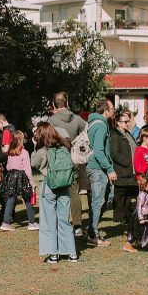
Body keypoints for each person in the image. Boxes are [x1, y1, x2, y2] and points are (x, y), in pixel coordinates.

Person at [32, 122, 78, 263]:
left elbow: (34, 164)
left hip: (49, 185)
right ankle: (71, 253)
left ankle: (53, 254)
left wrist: (35, 146)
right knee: (64, 219)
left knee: (48, 221)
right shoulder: (64, 147)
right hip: (64, 186)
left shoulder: (42, 151)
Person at [48, 92, 87, 236]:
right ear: (67, 102)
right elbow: (86, 133)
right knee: (74, 192)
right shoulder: (77, 119)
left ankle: (61, 223)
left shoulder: (51, 121)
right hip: (74, 158)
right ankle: (77, 224)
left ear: (54, 104)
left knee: (57, 192)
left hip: (58, 160)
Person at [85, 99, 117, 246]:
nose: (114, 110)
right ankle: (93, 235)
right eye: (112, 108)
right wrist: (109, 169)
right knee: (98, 201)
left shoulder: (94, 123)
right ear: (105, 111)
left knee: (107, 197)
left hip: (98, 167)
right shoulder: (101, 125)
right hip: (97, 168)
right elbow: (98, 151)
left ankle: (91, 227)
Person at [110, 106, 139, 245]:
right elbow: (114, 153)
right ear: (118, 122)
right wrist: (128, 162)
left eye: (128, 121)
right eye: (125, 121)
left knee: (130, 199)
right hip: (124, 173)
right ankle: (124, 221)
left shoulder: (128, 134)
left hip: (131, 173)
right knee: (124, 199)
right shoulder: (115, 135)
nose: (128, 123)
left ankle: (129, 223)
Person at [0, 130, 36, 230]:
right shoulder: (24, 152)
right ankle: (32, 222)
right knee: (28, 198)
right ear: (22, 140)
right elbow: (28, 169)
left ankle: (5, 222)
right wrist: (32, 182)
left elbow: (8, 166)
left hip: (11, 176)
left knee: (11, 198)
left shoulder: (10, 152)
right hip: (22, 176)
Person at [130, 174, 148, 251]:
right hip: (144, 216)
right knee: (142, 231)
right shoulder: (142, 195)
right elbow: (138, 206)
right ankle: (137, 243)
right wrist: (140, 218)